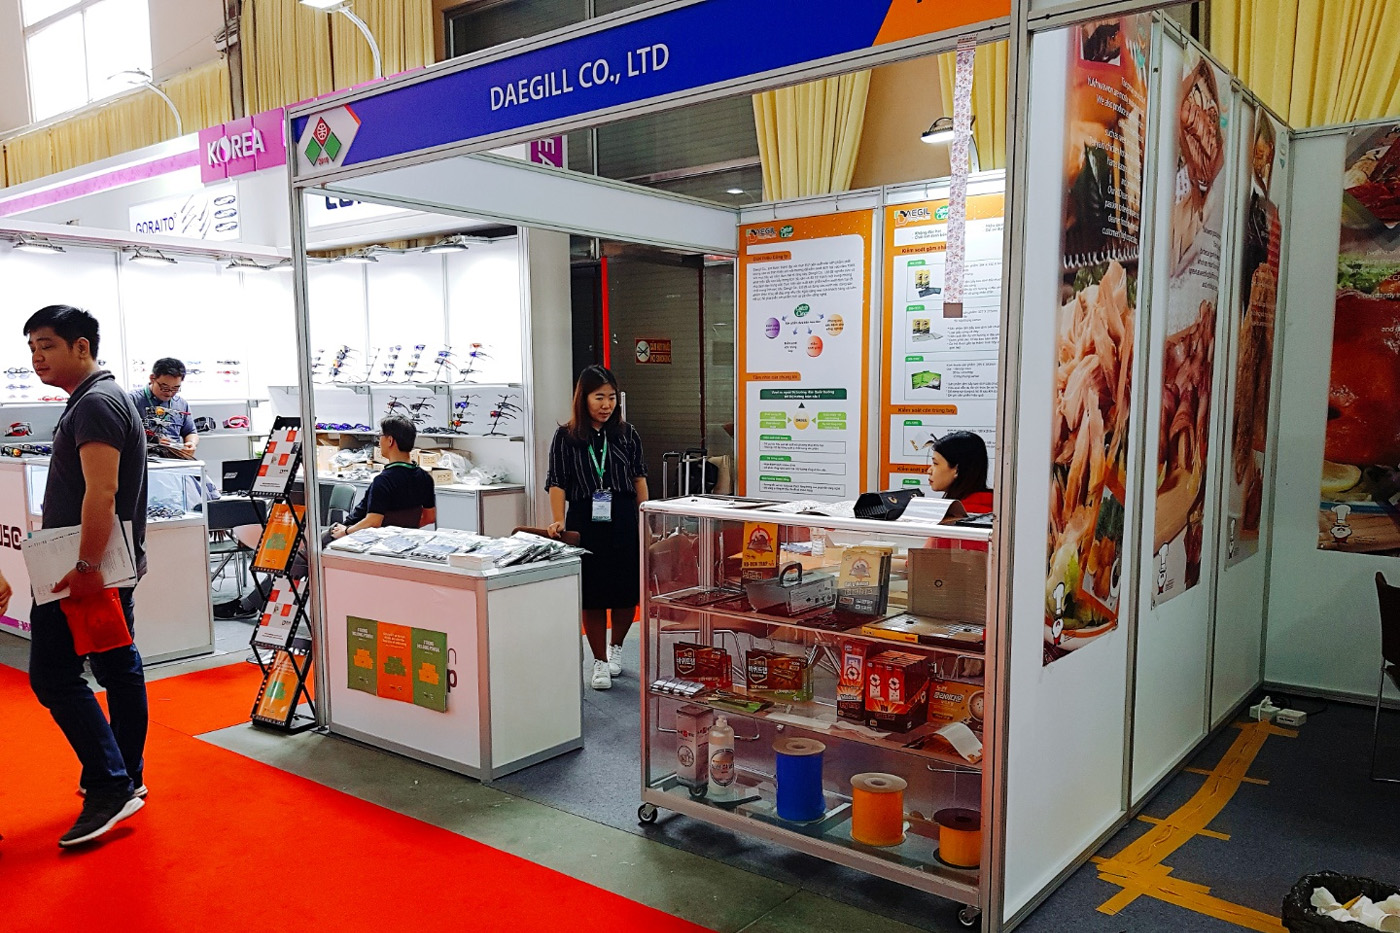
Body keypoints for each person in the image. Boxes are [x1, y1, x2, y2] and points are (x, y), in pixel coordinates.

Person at [24, 304, 149, 847]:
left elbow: (103, 491)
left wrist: (86, 566)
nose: (37, 358)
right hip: (95, 564)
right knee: (118, 668)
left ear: (81, 346)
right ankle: (125, 776)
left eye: (47, 345)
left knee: (54, 677)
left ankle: (109, 784)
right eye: (32, 348)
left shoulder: (97, 402)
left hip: (85, 569)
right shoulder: (97, 398)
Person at [214, 415, 437, 619]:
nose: (378, 441)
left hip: (355, 536)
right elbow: (428, 518)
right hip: (395, 543)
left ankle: (250, 606)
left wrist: (346, 531)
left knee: (294, 561)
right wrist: (397, 530)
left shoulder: (384, 480)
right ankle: (261, 605)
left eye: (380, 436)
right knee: (300, 560)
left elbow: (373, 522)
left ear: (390, 440)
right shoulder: (424, 478)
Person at [545, 365, 648, 691]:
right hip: (585, 518)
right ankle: (599, 661)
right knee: (593, 595)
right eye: (599, 397)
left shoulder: (628, 433)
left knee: (625, 592)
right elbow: (557, 482)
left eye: (611, 397)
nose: (606, 405)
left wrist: (646, 517)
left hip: (622, 517)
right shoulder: (566, 437)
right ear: (583, 398)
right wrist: (559, 519)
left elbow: (639, 478)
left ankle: (616, 647)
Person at [130, 358, 198, 457]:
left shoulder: (181, 404)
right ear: (152, 378)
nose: (169, 393)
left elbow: (190, 432)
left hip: (174, 459)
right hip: (142, 459)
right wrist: (153, 440)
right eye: (164, 388)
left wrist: (191, 443)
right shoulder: (132, 400)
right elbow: (124, 434)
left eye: (175, 388)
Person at [926, 431, 994, 513]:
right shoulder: (996, 506)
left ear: (957, 470)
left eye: (935, 463)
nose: (929, 471)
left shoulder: (959, 514)